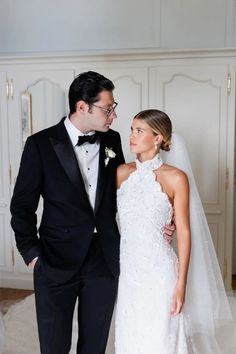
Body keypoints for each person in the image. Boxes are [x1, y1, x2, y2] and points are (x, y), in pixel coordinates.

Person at [10, 72, 174, 354]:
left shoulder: (112, 140)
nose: (113, 114)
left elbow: (127, 191)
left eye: (113, 107)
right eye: (107, 108)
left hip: (104, 259)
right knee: (54, 346)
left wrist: (161, 220)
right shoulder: (39, 144)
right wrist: (33, 256)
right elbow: (22, 207)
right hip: (54, 258)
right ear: (82, 106)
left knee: (95, 345)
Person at [115, 109, 233, 353]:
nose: (131, 136)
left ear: (157, 138)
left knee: (161, 337)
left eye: (139, 130)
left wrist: (181, 284)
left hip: (160, 271)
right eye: (131, 129)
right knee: (131, 333)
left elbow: (185, 232)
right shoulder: (120, 173)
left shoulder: (176, 178)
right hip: (128, 270)